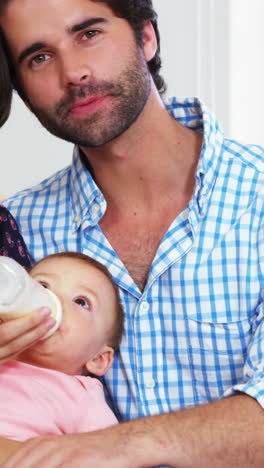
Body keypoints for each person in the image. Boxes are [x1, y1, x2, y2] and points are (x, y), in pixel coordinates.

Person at [0, 0, 264, 466]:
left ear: (146, 36)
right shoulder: (14, 233)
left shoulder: (257, 196)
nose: (74, 72)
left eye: (89, 34)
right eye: (39, 57)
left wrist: (115, 446)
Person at [0, 251, 123, 444]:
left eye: (81, 302)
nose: (52, 298)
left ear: (98, 359)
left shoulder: (81, 399)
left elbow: (111, 455)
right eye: (42, 286)